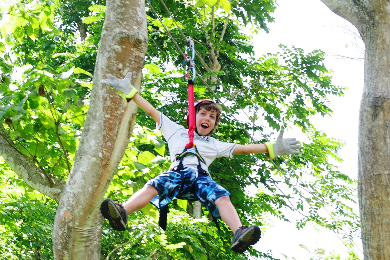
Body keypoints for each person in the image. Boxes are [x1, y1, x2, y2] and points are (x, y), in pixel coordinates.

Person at [100, 72, 302, 253]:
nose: (208, 118)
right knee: (155, 185)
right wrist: (130, 92)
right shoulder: (175, 131)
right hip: (176, 175)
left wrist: (273, 148)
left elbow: (244, 148)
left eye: (212, 117)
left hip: (201, 180)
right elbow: (151, 110)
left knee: (222, 197)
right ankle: (122, 212)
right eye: (203, 114)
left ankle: (238, 231)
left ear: (214, 124)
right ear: (192, 116)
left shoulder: (213, 144)